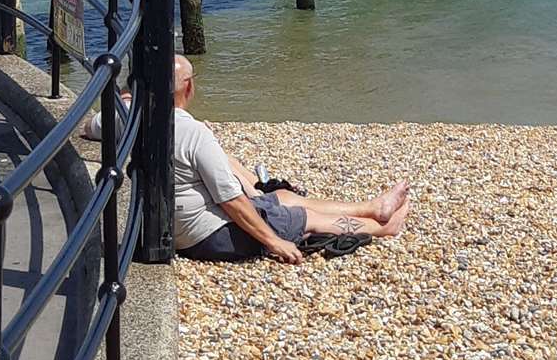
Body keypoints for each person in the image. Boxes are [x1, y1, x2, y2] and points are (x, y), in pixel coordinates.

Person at [114, 56, 410, 263]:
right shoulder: (194, 133)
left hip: (173, 225)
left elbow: (91, 125)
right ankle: (382, 227)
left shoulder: (129, 118)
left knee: (281, 196)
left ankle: (371, 208)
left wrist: (130, 98)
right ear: (190, 87)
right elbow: (232, 200)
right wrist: (273, 241)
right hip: (209, 235)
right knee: (309, 220)